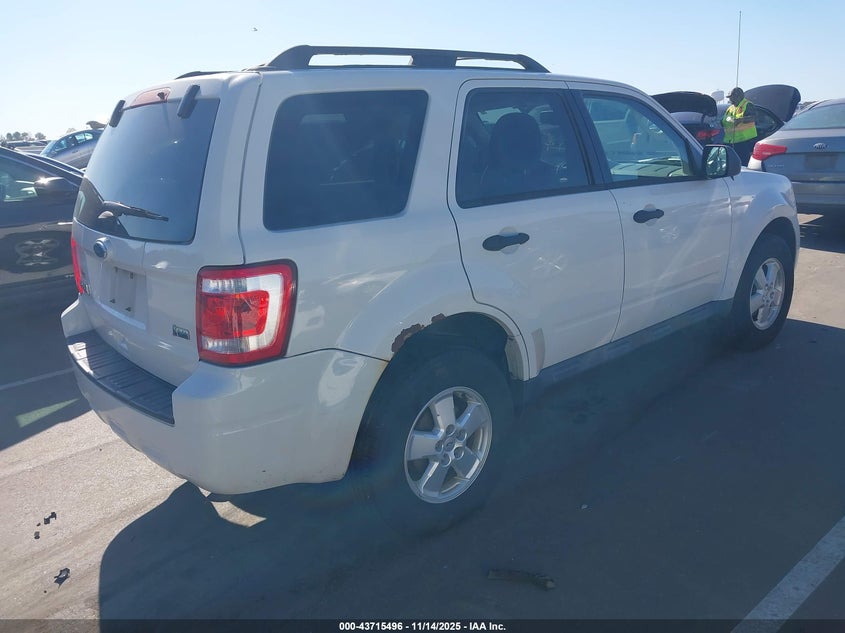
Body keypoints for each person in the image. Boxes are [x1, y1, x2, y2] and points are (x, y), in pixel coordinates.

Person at [722, 87, 757, 165]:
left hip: (745, 140)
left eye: (731, 97)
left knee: (743, 163)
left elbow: (753, 118)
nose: (730, 99)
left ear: (738, 96)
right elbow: (724, 119)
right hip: (730, 141)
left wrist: (740, 120)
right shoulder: (730, 108)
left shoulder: (747, 105)